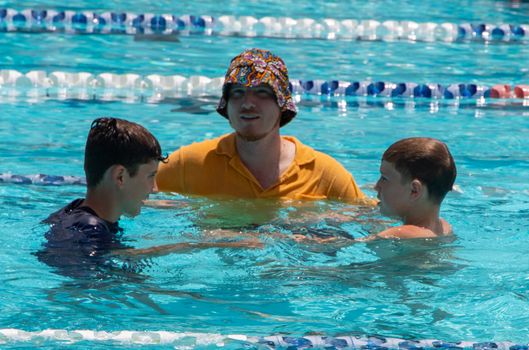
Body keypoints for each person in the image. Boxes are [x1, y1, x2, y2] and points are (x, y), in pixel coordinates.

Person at [36, 117, 259, 277]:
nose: (153, 188)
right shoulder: (88, 231)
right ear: (120, 176)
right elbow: (100, 274)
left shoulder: (74, 211)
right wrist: (199, 244)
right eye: (150, 176)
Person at [156, 48, 369, 203]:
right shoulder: (188, 164)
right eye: (238, 93)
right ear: (226, 105)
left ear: (282, 104)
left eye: (262, 93)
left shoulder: (323, 175)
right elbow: (130, 194)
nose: (248, 104)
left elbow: (370, 224)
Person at [362, 137, 457, 240]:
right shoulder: (445, 228)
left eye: (384, 178)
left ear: (414, 191)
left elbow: (347, 244)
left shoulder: (396, 234)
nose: (376, 186)